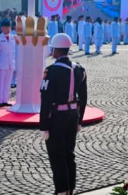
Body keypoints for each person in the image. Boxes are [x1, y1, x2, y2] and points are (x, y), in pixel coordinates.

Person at [40, 33, 88, 195]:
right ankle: (71, 188)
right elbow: (84, 97)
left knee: (57, 154)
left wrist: (44, 126)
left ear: (57, 51)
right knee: (69, 153)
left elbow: (45, 99)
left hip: (56, 118)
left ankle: (61, 190)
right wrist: (80, 120)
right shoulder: (80, 69)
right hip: (73, 116)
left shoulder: (51, 71)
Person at [0, 19, 16, 107]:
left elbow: (14, 52)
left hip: (10, 64)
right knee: (0, 83)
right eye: (6, 27)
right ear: (2, 28)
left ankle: (5, 100)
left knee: (7, 83)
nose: (8, 29)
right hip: (2, 64)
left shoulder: (13, 37)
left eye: (9, 27)